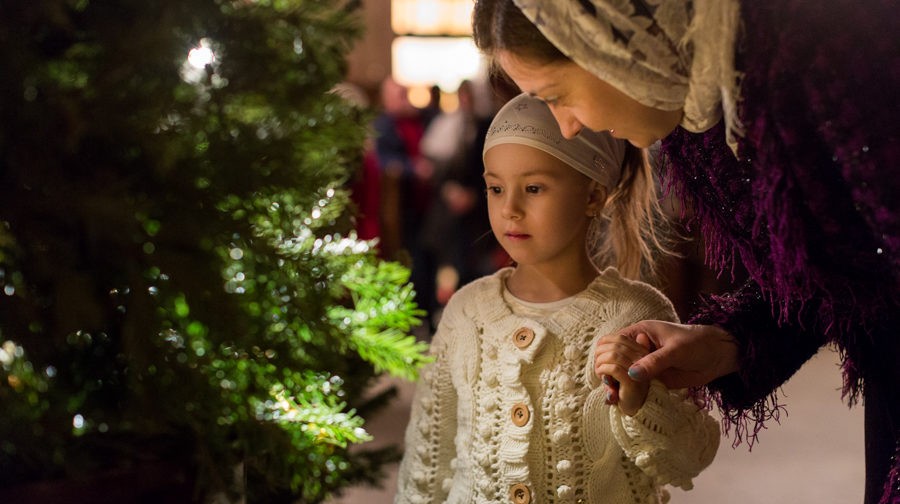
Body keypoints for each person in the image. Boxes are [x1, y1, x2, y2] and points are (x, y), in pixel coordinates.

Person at [471, 1, 900, 503]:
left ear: (613, 42)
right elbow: (834, 274)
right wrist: (728, 342)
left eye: (557, 95)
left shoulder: (835, 59)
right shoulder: (697, 118)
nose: (567, 127)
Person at [394, 93, 719, 503]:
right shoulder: (465, 312)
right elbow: (427, 464)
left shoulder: (637, 316)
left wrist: (642, 404)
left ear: (592, 196)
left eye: (533, 188)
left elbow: (689, 459)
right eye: (495, 188)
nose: (509, 208)